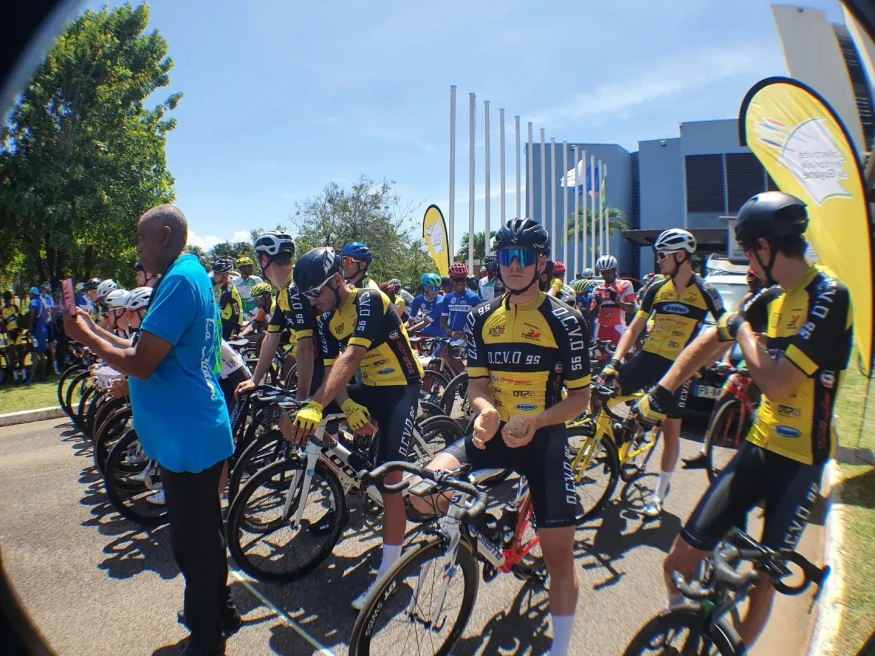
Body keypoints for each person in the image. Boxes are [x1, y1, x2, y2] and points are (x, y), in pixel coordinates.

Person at [634, 191, 850, 647]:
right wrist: (662, 391)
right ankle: (685, 632)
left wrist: (745, 332)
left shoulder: (828, 296)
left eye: (750, 251)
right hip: (758, 447)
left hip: (800, 462)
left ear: (766, 247)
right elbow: (710, 340)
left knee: (763, 584)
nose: (747, 260)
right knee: (676, 564)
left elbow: (777, 383)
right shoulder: (771, 297)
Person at [62, 205, 239, 656]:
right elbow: (142, 347)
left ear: (163, 234)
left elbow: (140, 364)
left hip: (189, 435)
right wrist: (95, 330)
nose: (137, 248)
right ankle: (221, 610)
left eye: (141, 238)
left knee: (191, 543)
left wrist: (86, 339)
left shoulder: (179, 281)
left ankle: (206, 638)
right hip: (193, 430)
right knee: (206, 533)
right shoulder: (187, 275)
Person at [410, 218, 591, 656]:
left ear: (541, 263)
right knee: (420, 493)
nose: (514, 265)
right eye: (507, 256)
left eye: (523, 257)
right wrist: (486, 410)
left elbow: (580, 399)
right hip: (493, 433)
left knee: (559, 558)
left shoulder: (565, 320)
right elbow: (476, 385)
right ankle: (485, 537)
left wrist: (537, 422)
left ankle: (560, 648)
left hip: (542, 441)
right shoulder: (481, 317)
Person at [284, 247, 423, 609]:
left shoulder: (369, 300)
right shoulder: (327, 319)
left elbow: (352, 357)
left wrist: (319, 404)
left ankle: (388, 575)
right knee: (295, 415)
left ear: (335, 281)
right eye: (306, 296)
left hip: (401, 389)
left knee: (391, 482)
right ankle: (349, 472)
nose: (312, 302)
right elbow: (333, 372)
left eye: (315, 293)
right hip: (369, 388)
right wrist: (344, 405)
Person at [599, 228, 724, 517]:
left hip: (677, 368)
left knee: (671, 433)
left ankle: (659, 493)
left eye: (663, 254)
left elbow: (727, 334)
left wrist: (701, 367)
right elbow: (634, 327)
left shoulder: (705, 290)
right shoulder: (657, 288)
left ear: (681, 256)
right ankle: (616, 440)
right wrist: (615, 362)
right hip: (648, 358)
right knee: (603, 393)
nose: (658, 259)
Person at [235, 232, 315, 402]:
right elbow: (271, 338)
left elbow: (306, 346)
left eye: (259, 260)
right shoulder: (283, 292)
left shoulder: (295, 289)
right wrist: (255, 380)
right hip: (315, 360)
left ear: (264, 260)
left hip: (322, 360)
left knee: (293, 417)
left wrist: (300, 398)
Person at [440, 262, 482, 377]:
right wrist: (451, 332)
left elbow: (482, 321)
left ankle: (465, 378)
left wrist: (470, 335)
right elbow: (442, 323)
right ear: (451, 280)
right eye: (457, 279)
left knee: (450, 354)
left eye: (463, 279)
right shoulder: (448, 298)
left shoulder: (473, 298)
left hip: (467, 338)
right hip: (451, 336)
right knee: (436, 358)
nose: (460, 282)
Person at [590, 255, 638, 347]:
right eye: (603, 273)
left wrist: (617, 301)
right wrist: (598, 304)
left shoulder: (626, 285)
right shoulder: (597, 289)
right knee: (599, 355)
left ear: (614, 270)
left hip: (618, 328)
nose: (605, 276)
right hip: (601, 330)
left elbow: (632, 309)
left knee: (623, 354)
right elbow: (591, 315)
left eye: (608, 272)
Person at [211, 260, 243, 340]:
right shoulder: (221, 285)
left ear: (226, 275)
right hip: (225, 319)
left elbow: (220, 306)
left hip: (232, 322)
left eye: (217, 273)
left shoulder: (229, 288)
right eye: (214, 273)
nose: (215, 276)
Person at [406, 273, 445, 337]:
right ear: (425, 287)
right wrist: (399, 329)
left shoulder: (440, 302)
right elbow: (409, 322)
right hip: (431, 328)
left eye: (438, 288)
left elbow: (425, 322)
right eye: (433, 289)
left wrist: (409, 330)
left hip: (443, 330)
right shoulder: (418, 300)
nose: (436, 292)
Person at [24, 287, 48, 385]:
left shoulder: (34, 302)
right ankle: (43, 375)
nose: (29, 296)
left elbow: (32, 315)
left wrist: (29, 329)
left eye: (30, 294)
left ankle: (31, 378)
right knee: (42, 354)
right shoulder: (41, 302)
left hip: (37, 332)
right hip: (43, 330)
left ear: (33, 294)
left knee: (35, 355)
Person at [1, 291, 24, 383]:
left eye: (9, 300)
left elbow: (21, 317)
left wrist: (21, 327)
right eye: (6, 300)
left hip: (17, 333)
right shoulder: (2, 310)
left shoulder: (15, 307)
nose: (8, 302)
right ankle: (16, 377)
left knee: (20, 355)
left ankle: (24, 376)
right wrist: (6, 332)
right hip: (9, 335)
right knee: (12, 356)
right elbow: (2, 324)